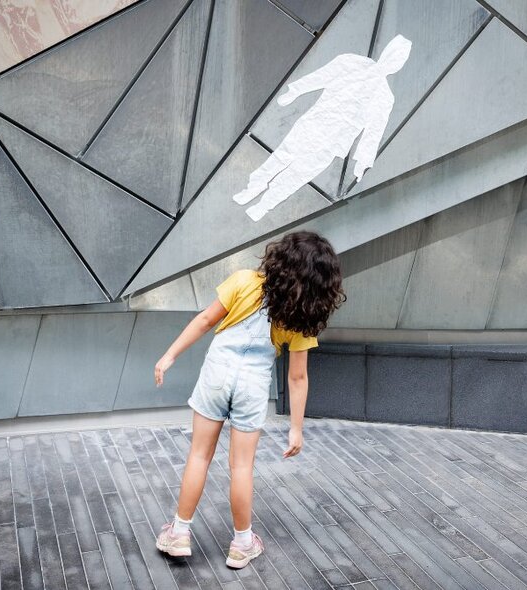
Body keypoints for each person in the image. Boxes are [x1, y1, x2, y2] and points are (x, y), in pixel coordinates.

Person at [153, 231, 346, 569]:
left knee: (199, 456)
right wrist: (295, 429)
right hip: (253, 386)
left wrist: (169, 355)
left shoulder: (244, 281)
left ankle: (179, 534)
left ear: (280, 259)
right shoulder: (301, 320)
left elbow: (204, 320)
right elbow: (297, 377)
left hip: (217, 373)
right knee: (241, 467)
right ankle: (242, 543)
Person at [233, 34, 412, 221]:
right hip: (314, 123)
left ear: (400, 64)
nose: (394, 61)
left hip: (333, 142)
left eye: (399, 59)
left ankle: (264, 205)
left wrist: (362, 163)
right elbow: (322, 76)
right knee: (281, 156)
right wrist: (295, 91)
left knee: (298, 175)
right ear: (386, 51)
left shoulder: (385, 97)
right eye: (393, 54)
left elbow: (374, 132)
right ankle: (252, 188)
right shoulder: (352, 62)